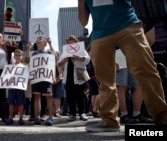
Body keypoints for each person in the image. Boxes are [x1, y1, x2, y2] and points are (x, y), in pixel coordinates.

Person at [78, 0, 167, 132]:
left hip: (128, 25)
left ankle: (162, 116)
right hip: (100, 33)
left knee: (146, 69)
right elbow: (83, 21)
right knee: (104, 79)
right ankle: (109, 120)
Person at [58, 35, 90, 122]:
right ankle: (72, 114)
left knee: (80, 95)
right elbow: (59, 64)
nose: (70, 43)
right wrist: (64, 60)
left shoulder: (81, 49)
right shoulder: (65, 51)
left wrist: (79, 58)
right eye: (68, 42)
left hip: (79, 75)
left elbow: (87, 60)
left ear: (76, 42)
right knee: (70, 96)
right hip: (68, 76)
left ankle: (82, 113)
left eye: (72, 41)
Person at [115, 49, 152, 124]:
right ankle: (124, 115)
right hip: (119, 53)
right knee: (121, 86)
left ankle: (137, 114)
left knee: (139, 85)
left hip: (134, 55)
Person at [5, 49, 26, 125]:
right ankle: (11, 118)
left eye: (19, 55)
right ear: (14, 56)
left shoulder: (24, 67)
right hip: (12, 87)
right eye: (16, 55)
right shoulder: (10, 66)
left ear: (22, 56)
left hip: (20, 87)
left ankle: (21, 118)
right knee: (11, 103)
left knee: (21, 103)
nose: (17, 57)